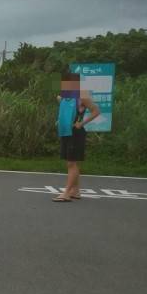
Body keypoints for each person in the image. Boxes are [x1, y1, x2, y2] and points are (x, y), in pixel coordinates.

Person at [54, 72, 100, 202]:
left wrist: (82, 123)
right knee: (71, 162)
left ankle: (67, 193)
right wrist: (60, 120)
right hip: (65, 131)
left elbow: (96, 111)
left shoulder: (82, 95)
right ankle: (76, 191)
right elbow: (63, 108)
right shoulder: (63, 96)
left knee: (71, 163)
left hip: (76, 132)